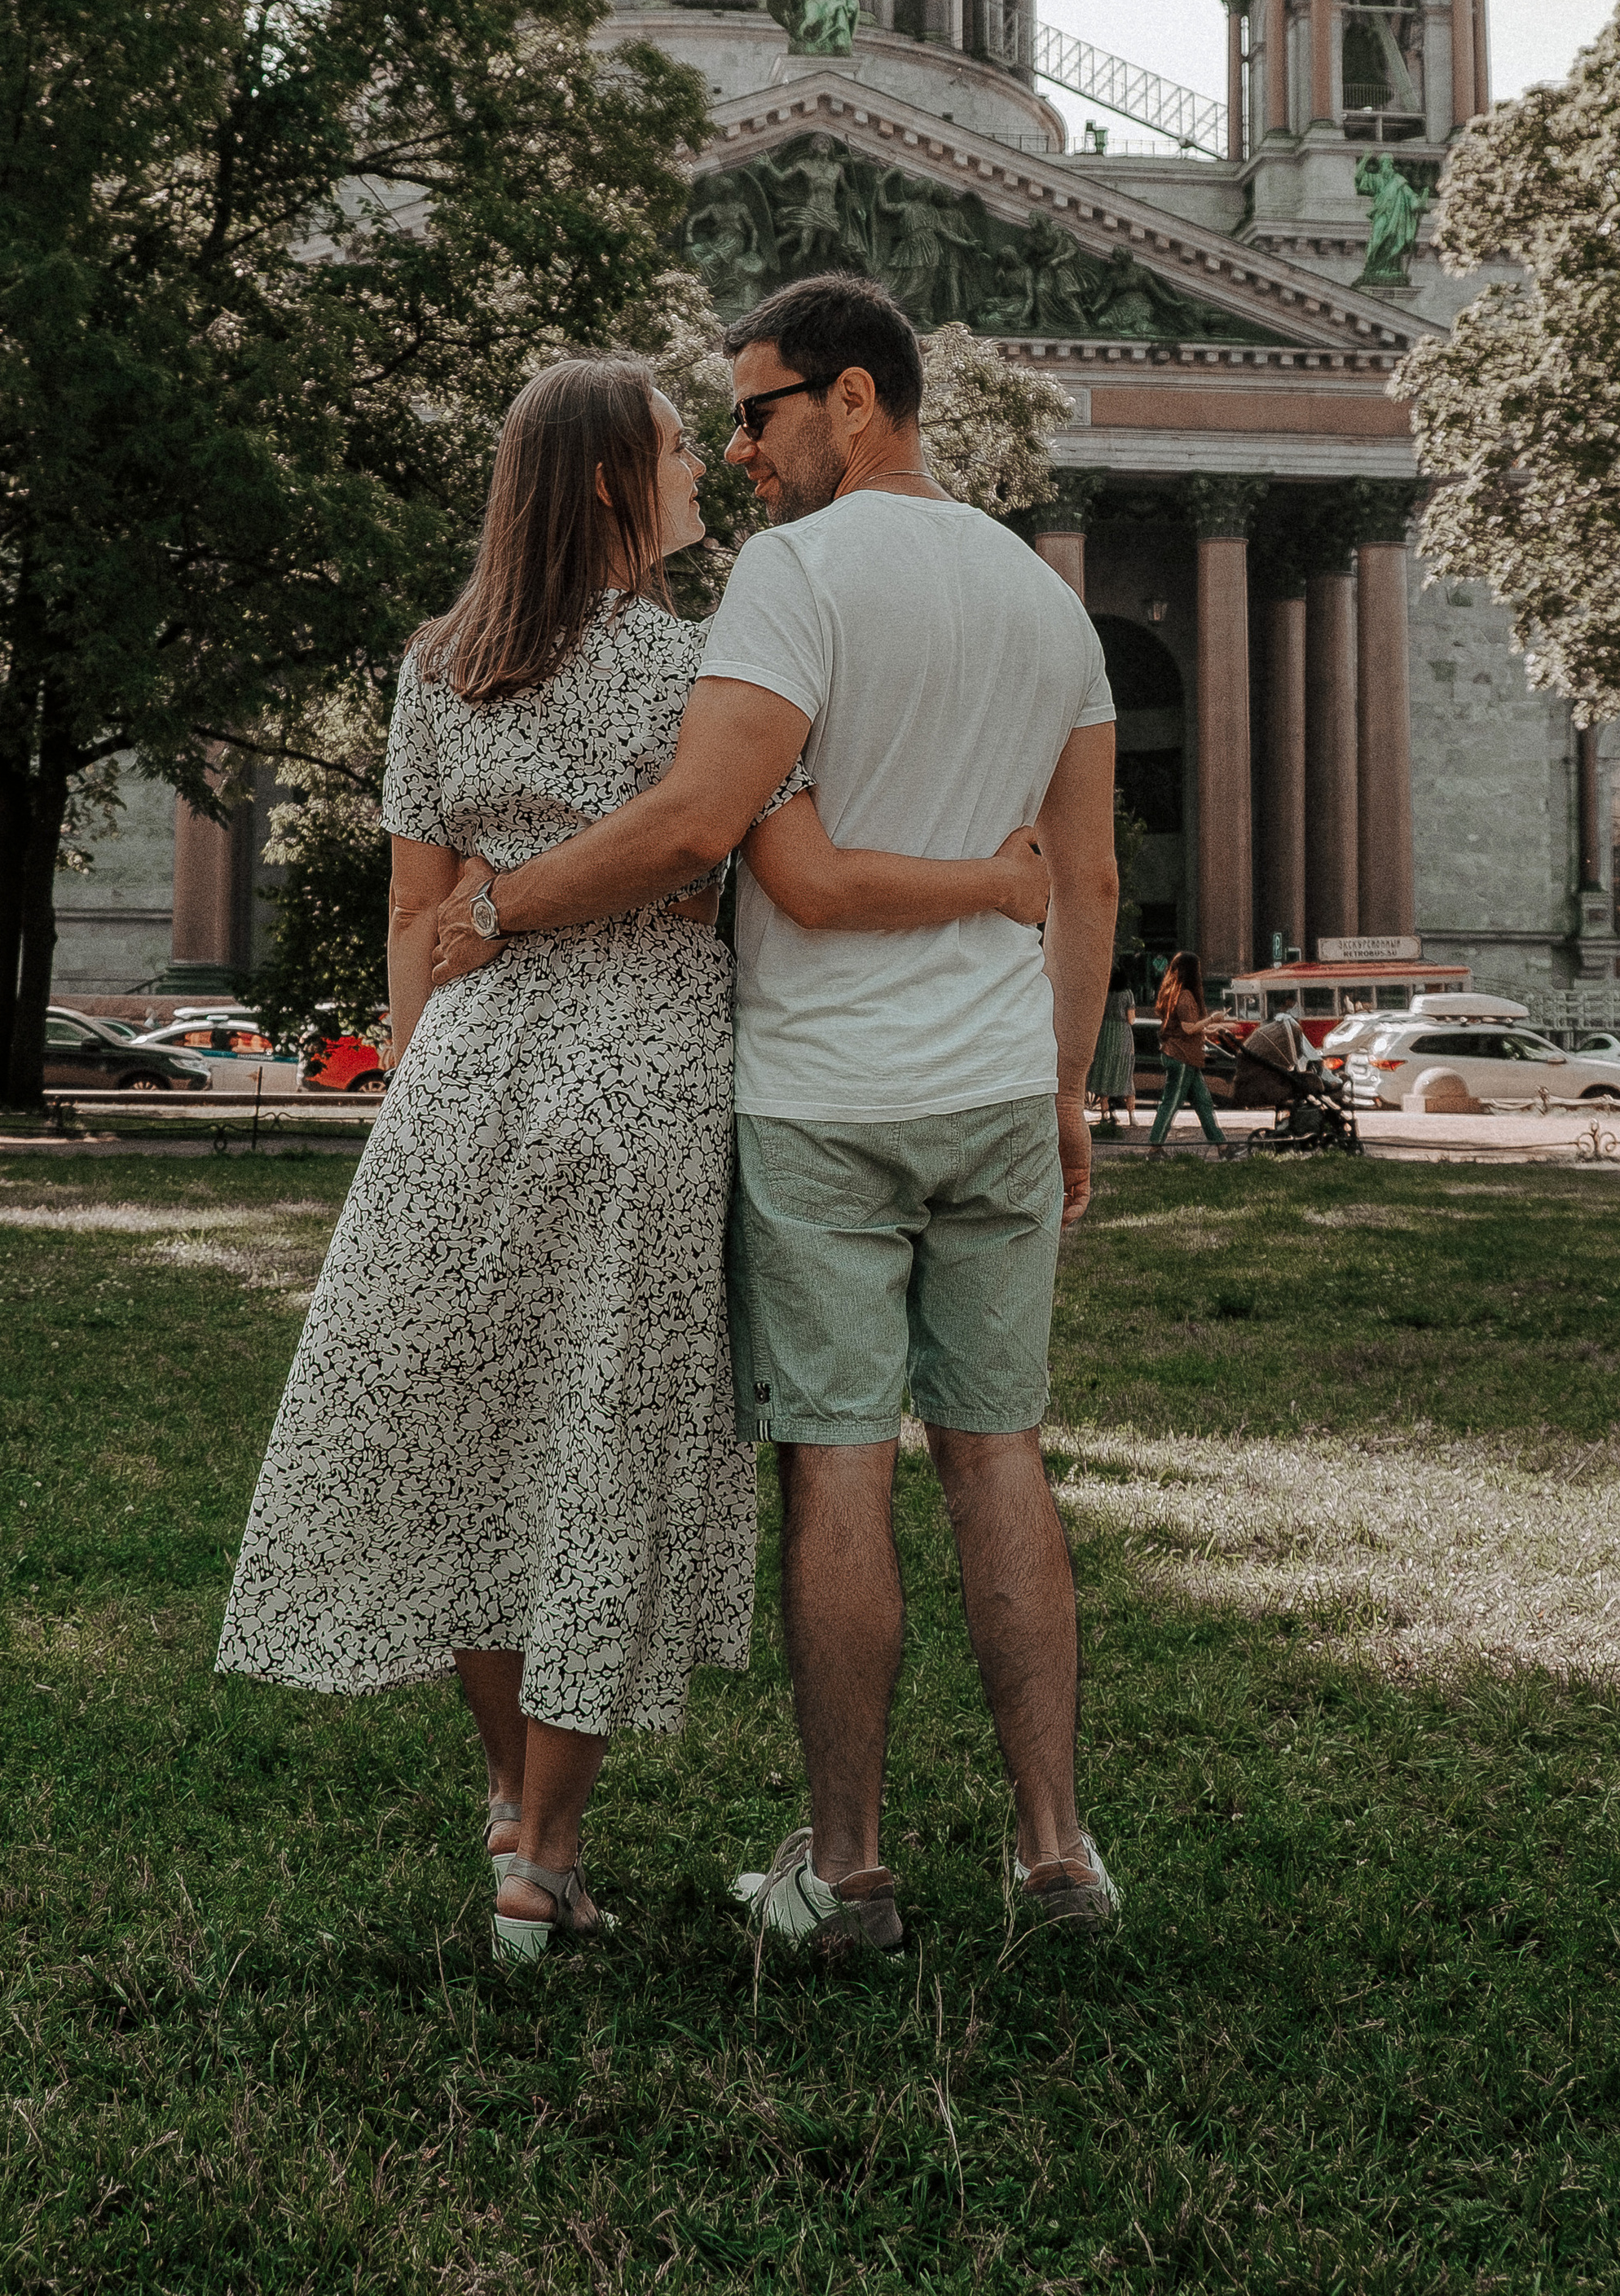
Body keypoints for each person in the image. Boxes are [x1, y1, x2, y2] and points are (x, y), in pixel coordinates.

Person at [215, 356, 1049, 1962]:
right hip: (645, 1080)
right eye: (673, 449)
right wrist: (990, 880)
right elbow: (786, 872)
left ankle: (512, 1817)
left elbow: (416, 912)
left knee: (472, 1450)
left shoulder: (435, 670)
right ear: (610, 485)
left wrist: (409, 1094)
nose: (698, 471)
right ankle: (550, 1856)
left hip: (462, 1077)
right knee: (596, 1466)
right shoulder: (705, 670)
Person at [433, 275, 1123, 1950]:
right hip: (987, 1092)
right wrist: (1055, 1079)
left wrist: (500, 908)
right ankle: (1053, 1855)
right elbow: (1085, 875)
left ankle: (847, 1864)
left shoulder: (793, 581)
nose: (734, 445)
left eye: (756, 410)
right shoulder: (1046, 602)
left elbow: (698, 826)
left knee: (836, 1470)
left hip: (822, 1097)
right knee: (1000, 1452)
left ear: (859, 401)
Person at [1147, 951, 1231, 1159]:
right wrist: (1211, 1020)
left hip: (1187, 1057)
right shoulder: (1185, 996)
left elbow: (1188, 1027)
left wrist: (1210, 1029)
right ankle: (1154, 1148)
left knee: (1203, 1103)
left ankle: (1223, 1147)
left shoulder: (1174, 992)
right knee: (1172, 1102)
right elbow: (1187, 1028)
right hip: (1181, 1056)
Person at [1088, 975, 1136, 1138]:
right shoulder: (1128, 994)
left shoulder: (1105, 993)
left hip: (1106, 1035)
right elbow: (1131, 1019)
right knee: (1126, 1075)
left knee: (1105, 1074)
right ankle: (1131, 1117)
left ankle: (1104, 1115)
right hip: (1122, 1036)